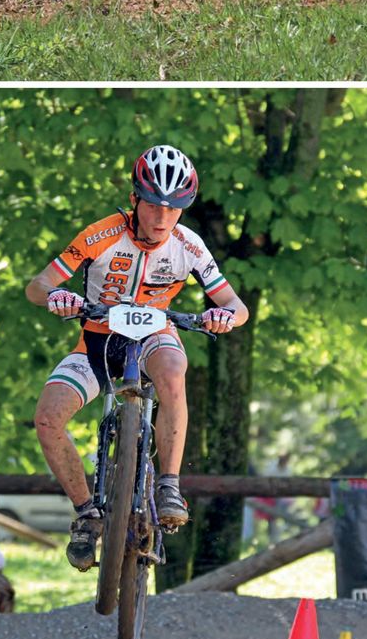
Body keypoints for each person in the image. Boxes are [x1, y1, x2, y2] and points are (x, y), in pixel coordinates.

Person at [26, 144, 248, 571]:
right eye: (153, 206)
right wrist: (58, 297)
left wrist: (223, 317)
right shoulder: (101, 234)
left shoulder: (189, 246)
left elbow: (237, 306)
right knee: (48, 417)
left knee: (172, 368)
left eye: (174, 208)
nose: (162, 218)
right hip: (97, 342)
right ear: (134, 200)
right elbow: (37, 286)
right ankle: (88, 513)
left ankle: (168, 484)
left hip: (154, 335)